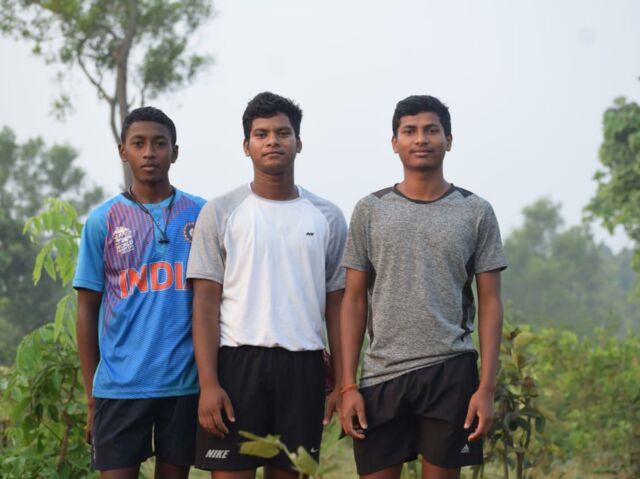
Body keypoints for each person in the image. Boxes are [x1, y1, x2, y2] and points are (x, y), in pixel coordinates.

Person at [339, 95, 507, 479]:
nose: (421, 139)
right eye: (409, 131)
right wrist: (348, 386)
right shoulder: (370, 209)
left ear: (449, 140)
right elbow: (353, 301)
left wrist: (486, 388)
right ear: (394, 142)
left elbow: (490, 303)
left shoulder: (475, 211)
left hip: (450, 370)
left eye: (431, 130)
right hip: (382, 373)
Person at [186, 91, 346, 478]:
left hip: (304, 367)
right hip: (237, 365)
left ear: (298, 143)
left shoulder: (327, 216)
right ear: (247, 146)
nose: (272, 141)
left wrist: (343, 381)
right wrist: (208, 384)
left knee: (291, 472)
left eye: (282, 133)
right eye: (261, 134)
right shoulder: (220, 212)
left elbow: (338, 305)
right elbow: (204, 304)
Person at [74, 106, 205, 479]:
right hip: (119, 387)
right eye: (139, 143)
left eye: (160, 144)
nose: (149, 153)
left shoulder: (201, 215)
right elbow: (87, 310)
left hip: (183, 384)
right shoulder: (103, 220)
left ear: (174, 152)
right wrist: (91, 397)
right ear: (123, 151)